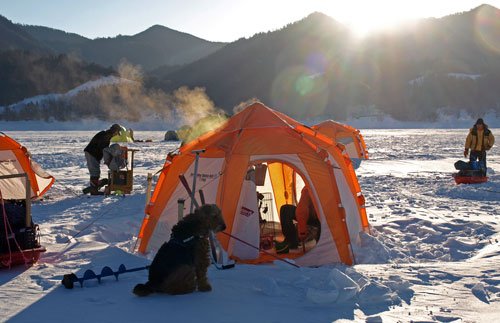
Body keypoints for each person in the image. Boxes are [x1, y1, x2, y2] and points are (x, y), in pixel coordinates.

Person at [276, 186, 321, 253]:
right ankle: (291, 240)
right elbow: (302, 209)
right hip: (311, 215)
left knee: (327, 218)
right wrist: (302, 230)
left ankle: (322, 243)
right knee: (286, 209)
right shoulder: (308, 188)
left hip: (323, 218)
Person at [84, 124, 122, 194]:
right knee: (95, 171)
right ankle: (94, 191)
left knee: (95, 171)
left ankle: (94, 187)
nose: (116, 135)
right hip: (92, 153)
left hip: (93, 153)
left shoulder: (106, 135)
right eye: (117, 133)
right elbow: (104, 149)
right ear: (115, 131)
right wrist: (109, 158)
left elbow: (103, 149)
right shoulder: (106, 136)